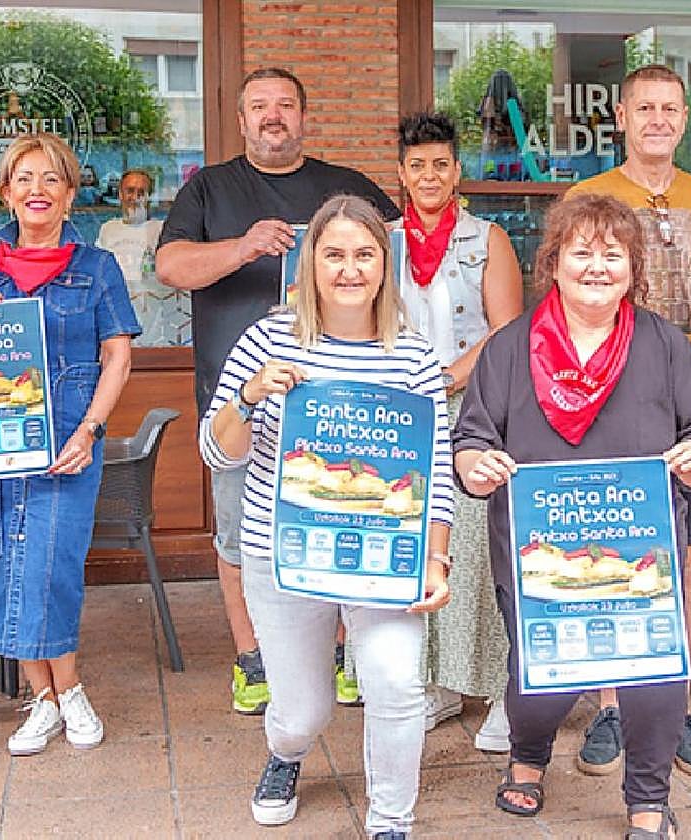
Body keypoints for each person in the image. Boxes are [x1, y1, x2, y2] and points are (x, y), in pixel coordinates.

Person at [452, 193, 691, 836]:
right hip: (537, 549)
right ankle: (527, 758)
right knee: (542, 676)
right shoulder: (509, 348)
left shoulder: (664, 345)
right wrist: (475, 465)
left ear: (635, 268)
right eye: (581, 252)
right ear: (554, 262)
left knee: (654, 677)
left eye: (613, 254)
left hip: (640, 554)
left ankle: (648, 799)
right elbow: (472, 438)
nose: (596, 266)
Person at [199, 194, 453, 837]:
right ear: (310, 264)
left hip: (384, 554)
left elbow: (438, 471)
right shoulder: (267, 339)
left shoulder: (413, 355)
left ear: (384, 265)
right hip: (282, 556)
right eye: (334, 254)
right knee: (304, 711)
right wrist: (250, 396)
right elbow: (215, 453)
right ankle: (285, 753)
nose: (349, 269)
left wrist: (436, 556)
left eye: (364, 254)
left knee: (395, 684)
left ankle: (392, 818)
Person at [156, 67, 400, 714]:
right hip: (244, 399)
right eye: (259, 107)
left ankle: (346, 654)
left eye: (285, 106)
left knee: (347, 517)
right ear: (240, 121)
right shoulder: (209, 189)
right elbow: (170, 266)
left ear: (303, 116)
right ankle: (253, 659)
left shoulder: (346, 188)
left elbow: (400, 255)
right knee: (239, 538)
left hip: (346, 400)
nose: (273, 117)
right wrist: (241, 248)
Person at [563, 64, 691, 780]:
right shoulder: (588, 197)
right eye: (645, 108)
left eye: (670, 108)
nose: (658, 119)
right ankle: (608, 705)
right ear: (622, 118)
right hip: (607, 402)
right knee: (612, 557)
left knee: (685, 560)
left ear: (684, 119)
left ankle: (671, 704)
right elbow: (566, 303)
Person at [0, 133, 140, 756]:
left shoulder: (97, 268)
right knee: (4, 566)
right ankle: (50, 697)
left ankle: (65, 690)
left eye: (50, 179)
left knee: (50, 567)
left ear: (69, 194)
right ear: (5, 193)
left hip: (69, 443)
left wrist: (91, 430)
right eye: (24, 179)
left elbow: (117, 355)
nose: (36, 190)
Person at [392, 111, 523, 751]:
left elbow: (507, 329)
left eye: (440, 163)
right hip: (400, 413)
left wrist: (445, 377)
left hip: (471, 406)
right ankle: (438, 685)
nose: (430, 175)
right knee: (418, 550)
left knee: (476, 549)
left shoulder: (485, 239)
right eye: (418, 165)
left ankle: (503, 692)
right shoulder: (381, 241)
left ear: (457, 170)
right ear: (401, 174)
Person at [96, 169, 174, 346]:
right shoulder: (108, 229)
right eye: (130, 191)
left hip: (152, 307)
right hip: (115, 307)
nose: (135, 197)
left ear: (149, 197)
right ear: (120, 194)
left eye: (141, 192)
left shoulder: (160, 229)